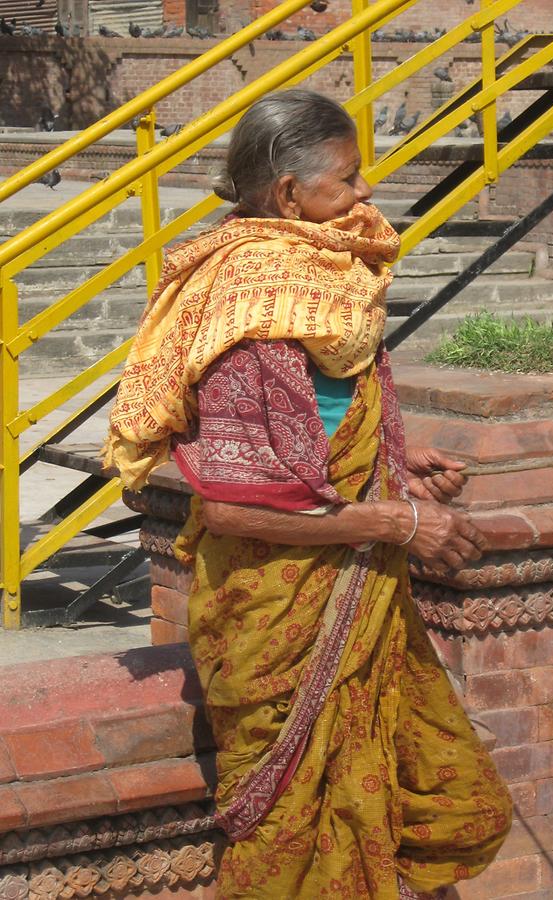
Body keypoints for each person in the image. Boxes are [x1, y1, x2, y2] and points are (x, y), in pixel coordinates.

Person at [105, 89, 511, 900]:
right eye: (348, 178)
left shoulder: (319, 279)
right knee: (301, 851)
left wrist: (396, 459)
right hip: (273, 614)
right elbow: (230, 503)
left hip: (354, 594)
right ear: (288, 195)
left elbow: (315, 432)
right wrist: (401, 521)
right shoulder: (247, 301)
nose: (365, 195)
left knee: (449, 801)